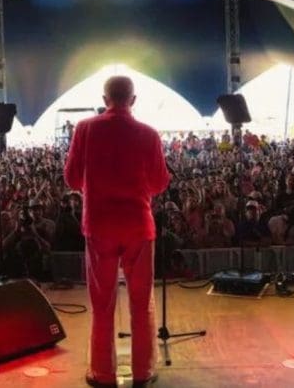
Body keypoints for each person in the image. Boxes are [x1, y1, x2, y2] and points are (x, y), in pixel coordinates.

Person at [65, 76, 169, 388]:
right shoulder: (148, 134)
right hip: (138, 226)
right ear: (133, 100)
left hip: (99, 227)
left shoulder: (85, 129)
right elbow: (160, 183)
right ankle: (142, 372)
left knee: (102, 303)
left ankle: (103, 374)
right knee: (141, 303)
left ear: (104, 98)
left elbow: (71, 179)